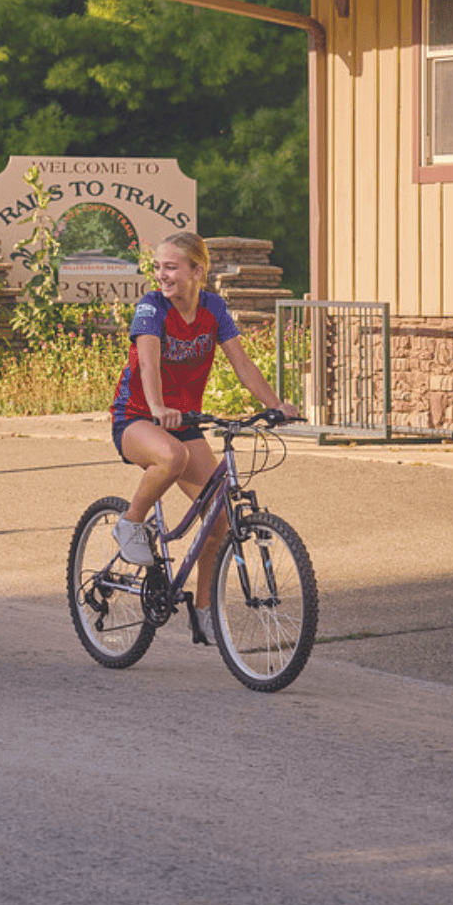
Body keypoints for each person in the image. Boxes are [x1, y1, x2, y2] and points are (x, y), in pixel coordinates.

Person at [108, 232, 297, 636]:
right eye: (158, 267)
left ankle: (204, 610)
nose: (162, 275)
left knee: (219, 522)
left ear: (198, 271)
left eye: (171, 267)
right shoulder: (151, 307)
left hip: (184, 419)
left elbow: (242, 364)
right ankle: (129, 523)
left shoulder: (214, 309)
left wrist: (275, 404)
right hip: (138, 416)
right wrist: (158, 408)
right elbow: (148, 364)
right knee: (172, 458)